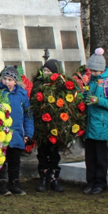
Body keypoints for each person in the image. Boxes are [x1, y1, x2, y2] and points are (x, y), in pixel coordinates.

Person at [83, 48, 108, 195]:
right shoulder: (91, 82)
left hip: (101, 125)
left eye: (94, 71)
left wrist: (98, 101)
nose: (92, 73)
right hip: (90, 124)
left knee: (100, 157)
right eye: (91, 70)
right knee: (90, 157)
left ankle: (100, 183)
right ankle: (90, 182)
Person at [0, 66, 34, 195]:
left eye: (10, 79)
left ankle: (14, 184)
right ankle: (1, 184)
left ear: (15, 81)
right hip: (1, 133)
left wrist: (28, 134)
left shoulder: (22, 96)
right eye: (4, 79)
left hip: (17, 133)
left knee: (15, 160)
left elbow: (28, 116)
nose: (6, 82)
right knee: (1, 160)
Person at [31, 58, 63, 192]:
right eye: (44, 70)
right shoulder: (38, 85)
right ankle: (43, 178)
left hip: (56, 127)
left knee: (54, 153)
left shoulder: (61, 85)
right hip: (42, 127)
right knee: (42, 152)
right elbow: (33, 102)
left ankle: (54, 178)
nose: (46, 73)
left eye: (49, 71)